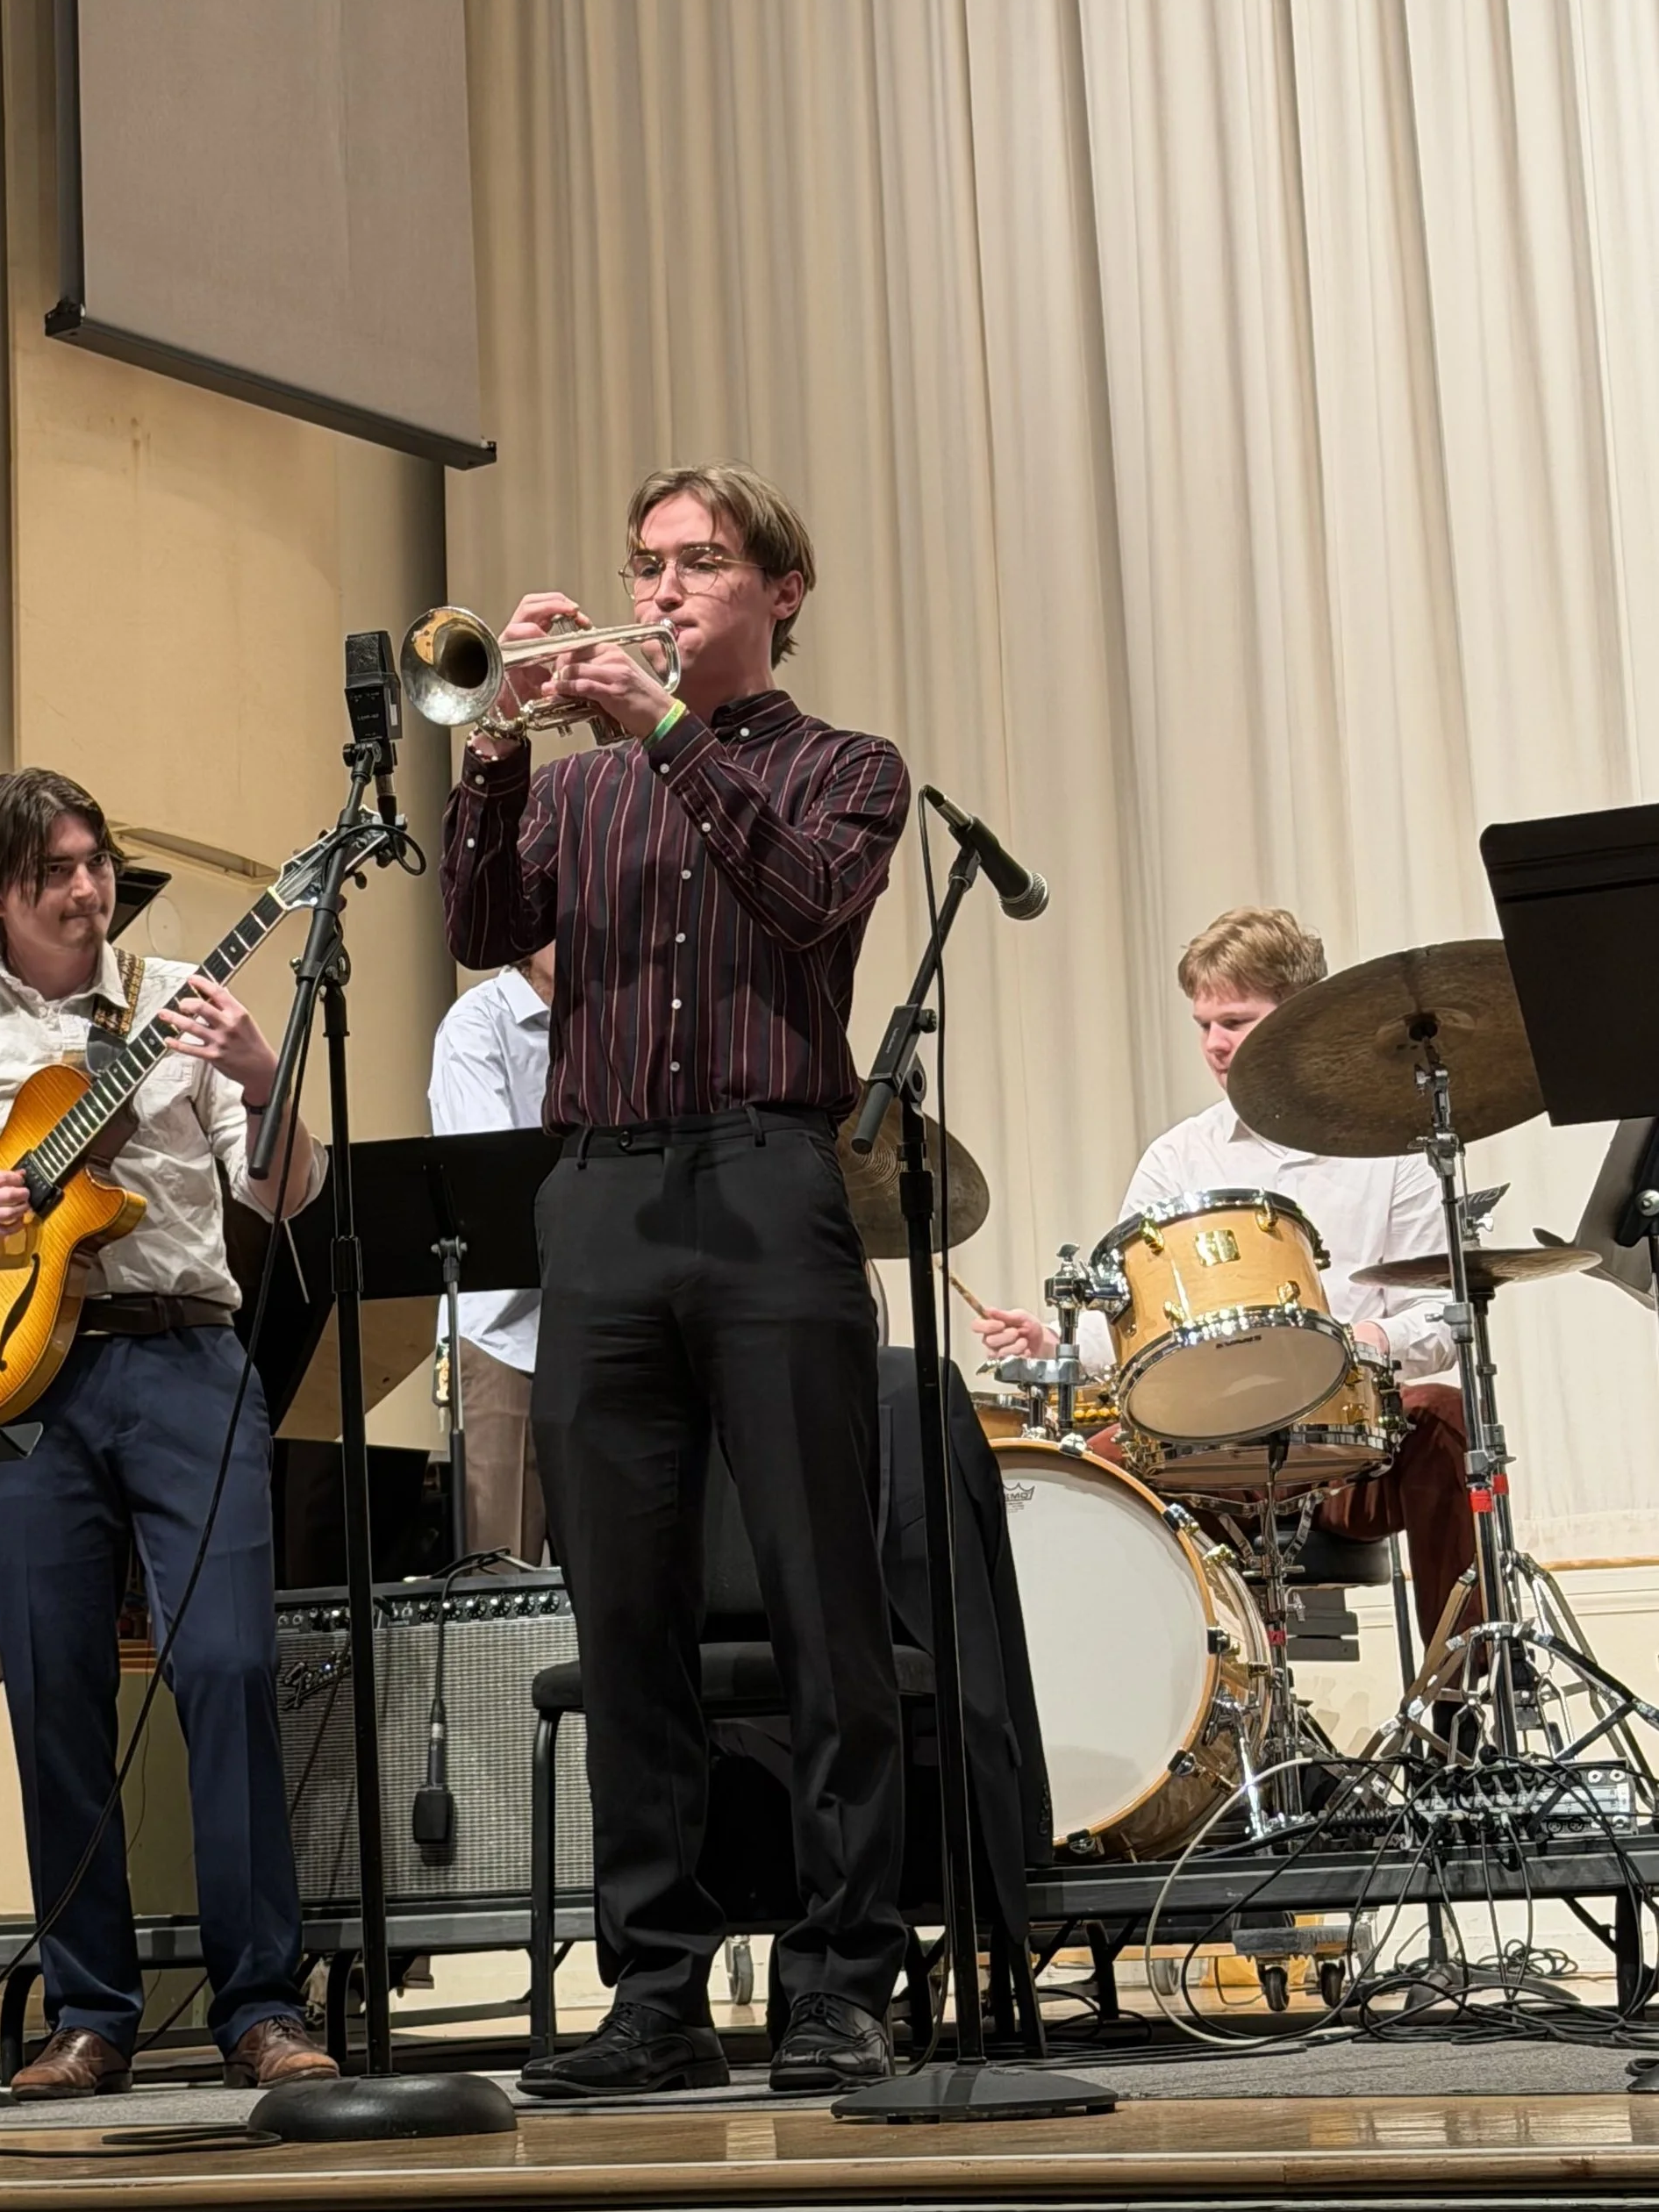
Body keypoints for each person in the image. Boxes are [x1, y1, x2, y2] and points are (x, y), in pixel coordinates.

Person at [444, 463, 910, 2099]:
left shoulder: (848, 770)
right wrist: (495, 744)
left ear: (781, 590)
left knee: (819, 1595)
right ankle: (654, 1989)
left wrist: (662, 730)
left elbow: (805, 901)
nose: (664, 586)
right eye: (650, 561)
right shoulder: (575, 795)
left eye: (701, 562)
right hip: (608, 1197)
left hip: (775, 1178)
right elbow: (479, 921)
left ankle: (847, 1974)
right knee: (621, 1604)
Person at [0, 768, 337, 2100]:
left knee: (224, 1665)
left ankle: (262, 2002)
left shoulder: (173, 1006)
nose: (89, 890)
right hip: (21, 1391)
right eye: (58, 873)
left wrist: (264, 1072)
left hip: (187, 1360)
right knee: (49, 1699)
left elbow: (288, 1190)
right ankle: (89, 2015)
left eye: (97, 862)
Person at [975, 906, 1475, 1641]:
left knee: (1449, 1420)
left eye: (1234, 1021)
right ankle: (1140, 1728)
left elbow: (1442, 1318)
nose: (1213, 1044)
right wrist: (1054, 1341)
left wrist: (1358, 1340)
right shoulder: (1178, 1158)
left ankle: (1459, 1706)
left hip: (1347, 1443)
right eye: (1203, 1024)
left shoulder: (1392, 1147)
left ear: (1299, 1016)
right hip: (1204, 1445)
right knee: (1070, 1482)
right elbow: (1135, 1331)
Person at [427, 946, 555, 1562]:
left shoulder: (610, 1022)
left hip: (596, 1323)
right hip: (505, 1332)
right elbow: (494, 1183)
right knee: (503, 1571)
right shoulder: (477, 1023)